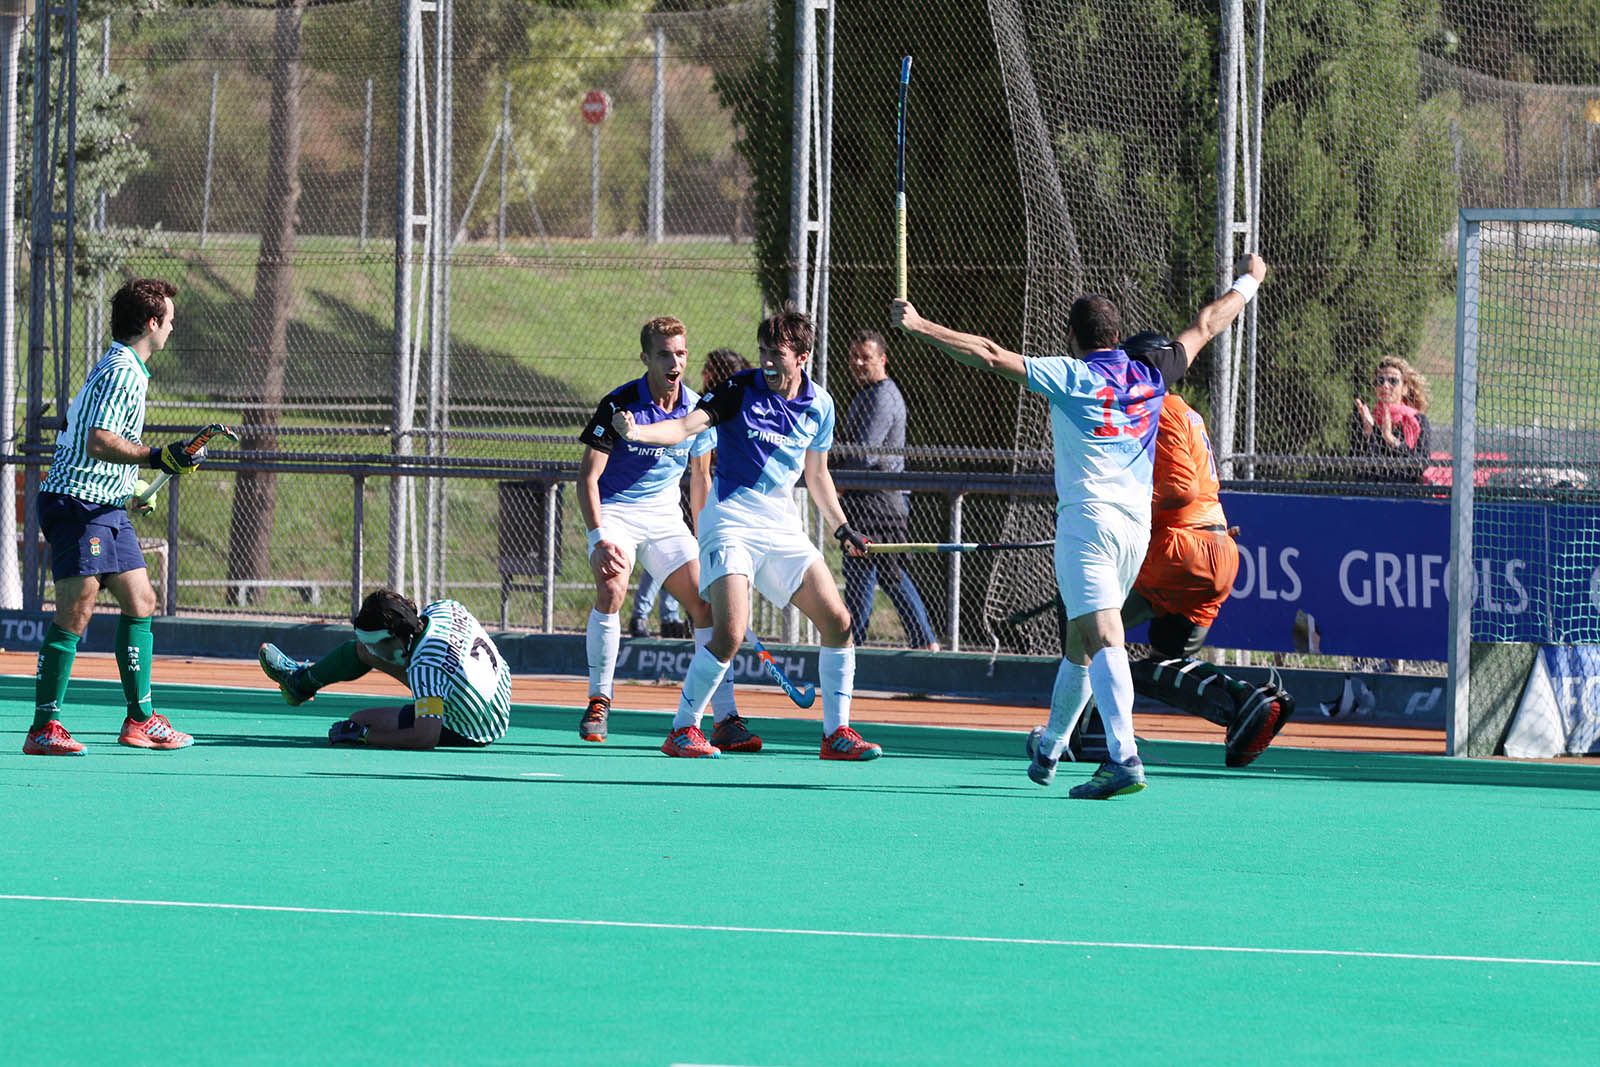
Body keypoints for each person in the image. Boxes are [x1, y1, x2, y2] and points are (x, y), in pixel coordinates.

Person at [891, 255, 1266, 798]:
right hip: (1136, 534)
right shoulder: (1152, 373)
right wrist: (1249, 280)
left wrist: (921, 325)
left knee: (1104, 635)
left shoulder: (1071, 375)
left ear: (1073, 338)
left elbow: (992, 356)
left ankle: (1124, 757)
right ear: (1117, 336)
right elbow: (1209, 322)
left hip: (1088, 525)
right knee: (1079, 644)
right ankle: (1050, 748)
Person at [613, 303, 881, 761]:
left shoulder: (821, 405)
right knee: (730, 631)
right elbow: (681, 426)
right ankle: (683, 729)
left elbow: (817, 477)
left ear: (802, 357)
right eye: (763, 352)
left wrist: (842, 528)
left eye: (777, 353)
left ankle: (836, 734)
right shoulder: (737, 390)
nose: (768, 362)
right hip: (730, 521)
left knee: (839, 622)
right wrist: (637, 432)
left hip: (782, 527)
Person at [1045, 321, 1294, 771]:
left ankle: (1083, 734)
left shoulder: (1157, 407)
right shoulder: (1189, 411)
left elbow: (1179, 489)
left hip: (1177, 551)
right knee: (1164, 658)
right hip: (1216, 553)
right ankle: (1240, 702)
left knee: (1091, 626)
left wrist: (1124, 509)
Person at [23, 278, 209, 756]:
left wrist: (135, 488)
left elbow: (95, 439)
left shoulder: (126, 368)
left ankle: (140, 721)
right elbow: (99, 440)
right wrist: (157, 457)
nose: (172, 327)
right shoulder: (122, 370)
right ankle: (44, 727)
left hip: (105, 504)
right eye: (169, 319)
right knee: (76, 611)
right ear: (152, 323)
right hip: (77, 504)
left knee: (141, 599)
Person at [577, 318, 750, 749]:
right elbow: (587, 478)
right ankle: (600, 699)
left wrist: (708, 536)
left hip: (665, 518)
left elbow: (700, 480)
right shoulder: (618, 405)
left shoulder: (697, 408)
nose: (675, 362)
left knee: (707, 605)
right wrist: (599, 539)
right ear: (646, 358)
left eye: (681, 353)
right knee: (612, 588)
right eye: (664, 354)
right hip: (616, 511)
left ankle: (725, 717)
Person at [257, 589, 511, 749]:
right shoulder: (445, 608)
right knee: (362, 654)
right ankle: (299, 684)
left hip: (474, 727)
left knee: (360, 720)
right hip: (499, 692)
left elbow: (426, 737)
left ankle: (299, 683)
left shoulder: (425, 669)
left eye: (375, 644)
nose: (372, 649)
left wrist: (366, 735)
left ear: (394, 636)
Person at [625, 350, 749, 641]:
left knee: (690, 557)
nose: (705, 374)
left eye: (711, 370)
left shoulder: (734, 400)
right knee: (668, 557)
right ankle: (649, 616)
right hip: (683, 490)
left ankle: (675, 616)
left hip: (716, 490)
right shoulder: (700, 403)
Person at [835, 329, 939, 650]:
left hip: (878, 505)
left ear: (882, 359)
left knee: (870, 573)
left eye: (865, 357)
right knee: (880, 574)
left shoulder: (883, 395)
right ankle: (923, 643)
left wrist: (826, 457)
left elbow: (866, 453)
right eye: (854, 356)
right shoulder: (867, 393)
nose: (857, 362)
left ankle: (856, 648)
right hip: (867, 501)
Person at [1351, 356, 1431, 483]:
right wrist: (1368, 434)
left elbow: (1420, 465)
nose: (1385, 386)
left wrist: (1391, 439)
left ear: (1404, 388)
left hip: (1406, 491)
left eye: (1393, 381)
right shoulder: (1368, 419)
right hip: (1372, 492)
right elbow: (1357, 467)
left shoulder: (1418, 421)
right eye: (1380, 380)